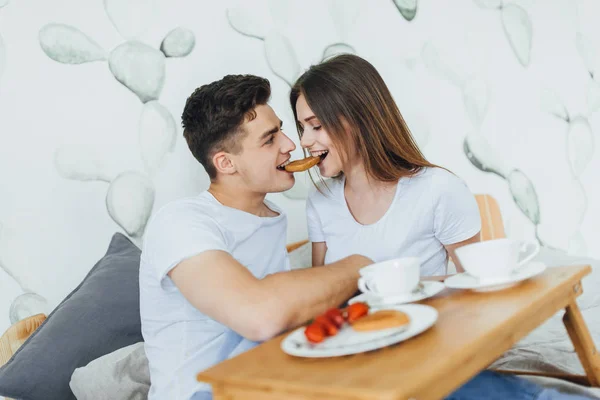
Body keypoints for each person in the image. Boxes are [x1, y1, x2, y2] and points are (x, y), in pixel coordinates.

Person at [290, 53, 593, 400]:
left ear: (356, 119)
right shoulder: (320, 202)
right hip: (355, 360)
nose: (304, 141)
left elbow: (479, 292)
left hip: (426, 348)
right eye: (301, 127)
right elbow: (323, 297)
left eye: (315, 126)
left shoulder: (437, 189)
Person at [139, 74, 373, 400]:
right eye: (269, 139)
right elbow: (260, 316)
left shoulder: (271, 216)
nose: (291, 145)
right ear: (226, 163)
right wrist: (359, 266)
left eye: (281, 130)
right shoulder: (181, 222)